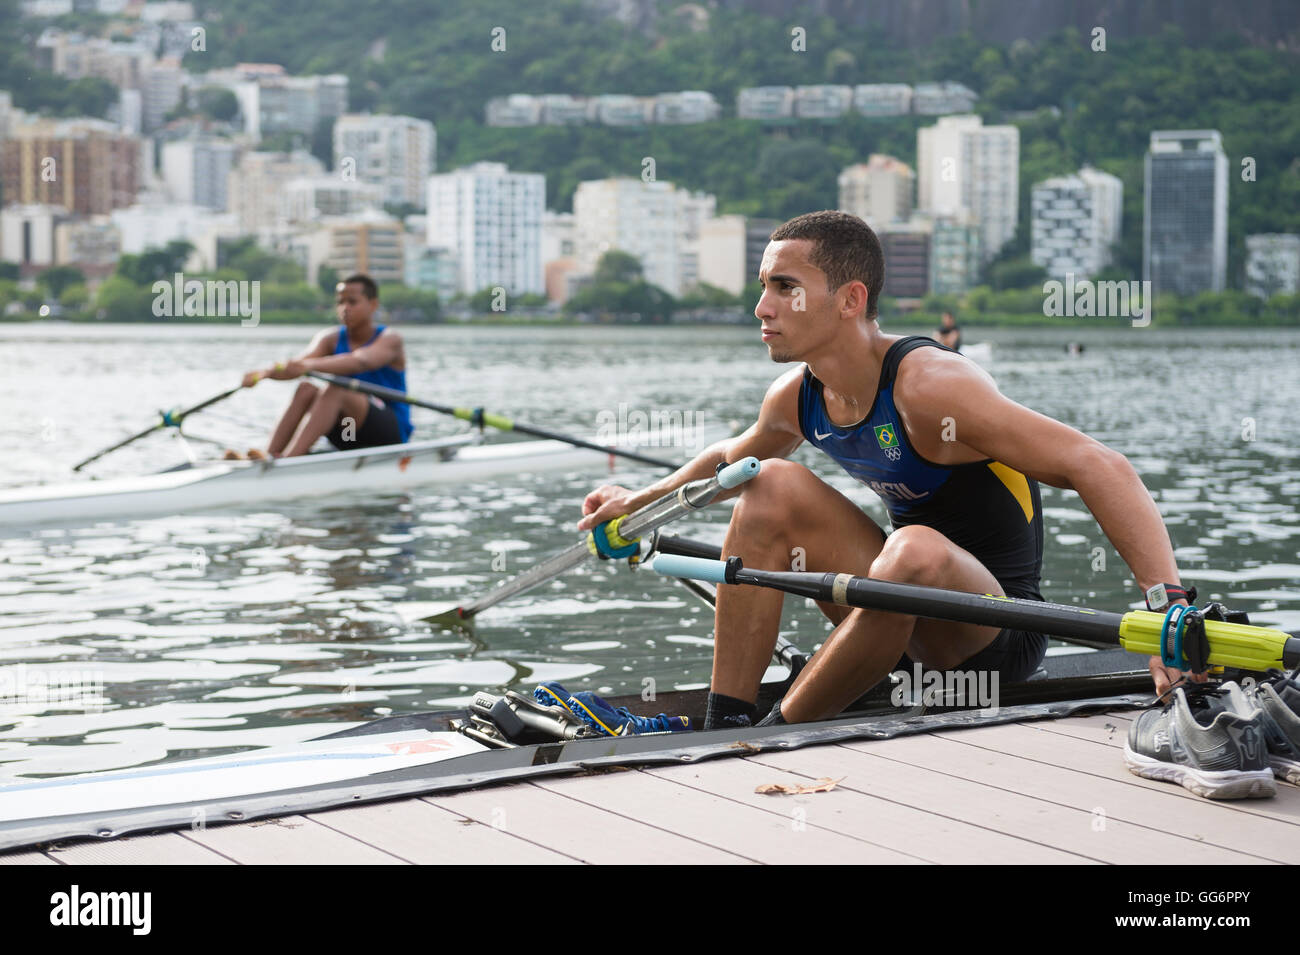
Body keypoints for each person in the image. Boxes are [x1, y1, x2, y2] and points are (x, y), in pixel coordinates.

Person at [578, 211, 1199, 729]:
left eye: (784, 287)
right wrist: (640, 504)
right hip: (895, 611)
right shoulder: (798, 395)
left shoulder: (931, 386)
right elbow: (729, 460)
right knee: (766, 481)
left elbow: (1100, 466)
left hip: (991, 640)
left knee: (913, 551)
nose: (761, 307)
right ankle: (728, 720)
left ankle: (777, 735)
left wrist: (1166, 604)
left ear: (850, 300)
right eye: (763, 285)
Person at [232, 273, 412, 459]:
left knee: (336, 389)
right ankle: (268, 456)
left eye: (352, 302)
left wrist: (306, 366)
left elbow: (361, 361)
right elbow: (296, 366)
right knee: (306, 388)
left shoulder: (390, 339)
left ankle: (288, 460)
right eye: (340, 302)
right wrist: (263, 374)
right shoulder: (330, 339)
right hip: (348, 434)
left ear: (373, 305)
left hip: (389, 434)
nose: (344, 308)